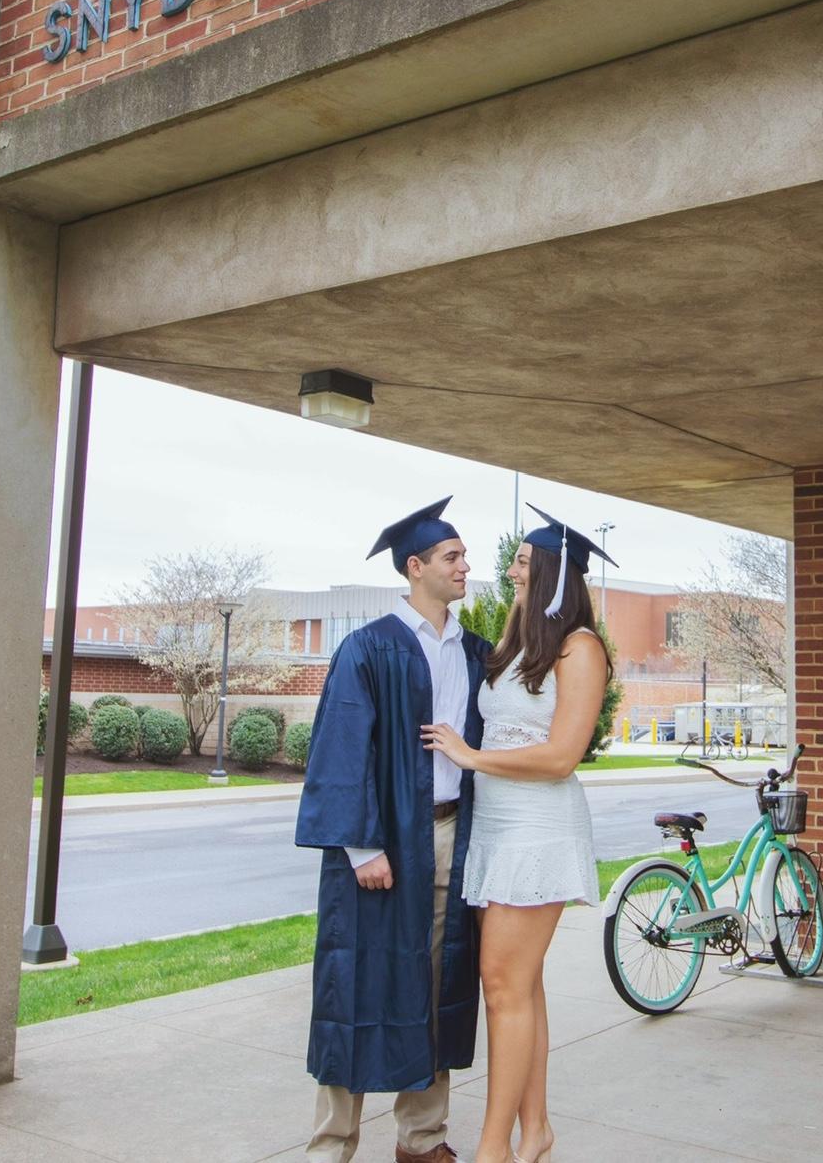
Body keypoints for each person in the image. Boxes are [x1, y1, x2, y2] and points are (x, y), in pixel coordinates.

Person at [295, 497, 491, 1163]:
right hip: (381, 847)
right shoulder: (369, 647)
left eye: (463, 556)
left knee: (437, 986)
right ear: (415, 567)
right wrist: (362, 847)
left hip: (451, 837)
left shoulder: (474, 652)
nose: (465, 567)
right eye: (452, 557)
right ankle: (331, 1145)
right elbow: (340, 748)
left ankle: (422, 1139)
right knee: (354, 985)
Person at [422, 505, 614, 1163]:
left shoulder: (580, 648)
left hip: (539, 831)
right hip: (496, 829)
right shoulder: (517, 642)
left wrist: (471, 758)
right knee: (520, 986)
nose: (511, 571)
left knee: (502, 985)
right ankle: (535, 1133)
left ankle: (492, 1150)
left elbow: (561, 756)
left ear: (555, 574)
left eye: (524, 562)